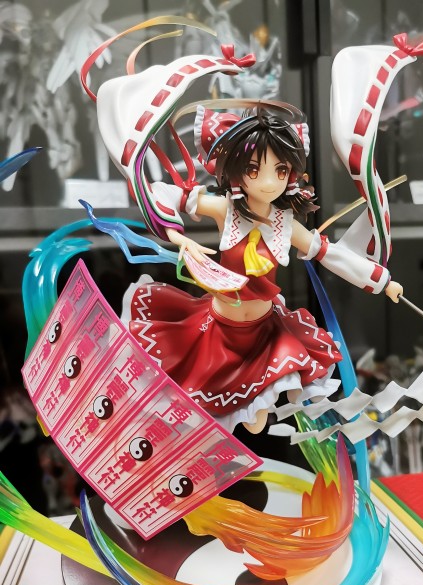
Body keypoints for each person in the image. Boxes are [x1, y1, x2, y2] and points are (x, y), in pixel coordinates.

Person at [88, 43, 403, 433]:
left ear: (292, 173)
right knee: (202, 416)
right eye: (255, 170)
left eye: (280, 170)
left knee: (257, 422)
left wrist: (381, 281)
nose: (269, 182)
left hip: (263, 336)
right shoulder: (226, 210)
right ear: (235, 170)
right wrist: (177, 235)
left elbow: (330, 254)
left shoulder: (286, 224)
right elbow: (164, 193)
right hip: (217, 330)